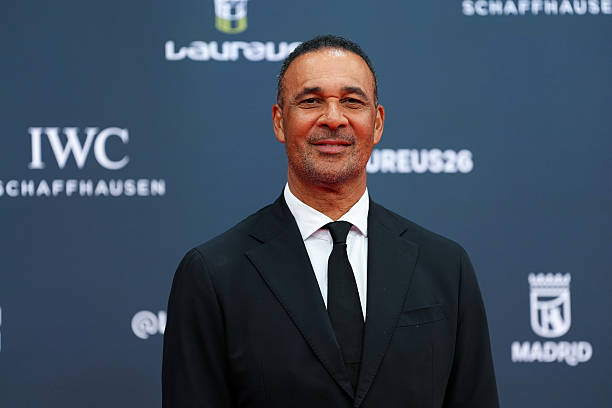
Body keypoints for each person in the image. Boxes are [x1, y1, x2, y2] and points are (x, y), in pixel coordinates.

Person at [162, 35, 499, 408]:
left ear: (377, 123)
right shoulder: (213, 275)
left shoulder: (446, 267)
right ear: (279, 122)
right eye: (311, 101)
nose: (334, 118)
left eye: (352, 102)